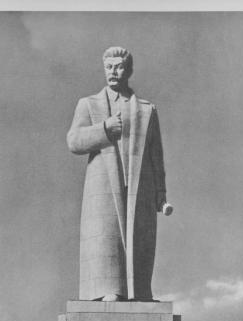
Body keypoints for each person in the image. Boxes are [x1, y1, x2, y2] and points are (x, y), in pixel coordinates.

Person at [67, 46, 173, 302]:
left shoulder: (147, 110)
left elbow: (156, 156)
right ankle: (108, 290)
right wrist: (105, 129)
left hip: (140, 184)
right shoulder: (89, 104)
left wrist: (160, 193)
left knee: (140, 238)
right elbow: (74, 141)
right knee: (106, 237)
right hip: (103, 184)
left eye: (118, 67)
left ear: (129, 70)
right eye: (109, 67)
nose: (113, 72)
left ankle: (139, 292)